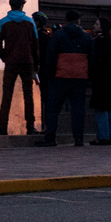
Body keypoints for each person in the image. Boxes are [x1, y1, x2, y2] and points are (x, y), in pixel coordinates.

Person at [42, 9, 91, 146]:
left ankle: (50, 137)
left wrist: (50, 75)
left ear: (66, 21)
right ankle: (78, 138)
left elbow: (50, 56)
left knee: (53, 108)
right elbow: (92, 58)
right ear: (78, 21)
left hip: (60, 76)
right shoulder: (86, 37)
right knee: (78, 109)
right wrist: (88, 77)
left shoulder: (58, 35)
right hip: (80, 77)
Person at [0, 0, 39, 135]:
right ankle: (30, 127)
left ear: (10, 5)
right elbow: (35, 43)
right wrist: (35, 64)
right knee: (28, 95)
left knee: (7, 95)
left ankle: (3, 127)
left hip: (11, 62)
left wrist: (4, 57)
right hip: (27, 62)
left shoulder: (3, 22)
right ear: (22, 6)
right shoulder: (30, 22)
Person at [87, 15, 111, 144]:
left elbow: (96, 61)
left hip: (100, 77)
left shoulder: (100, 41)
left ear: (102, 27)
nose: (94, 26)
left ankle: (103, 136)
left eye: (96, 24)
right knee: (109, 107)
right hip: (107, 76)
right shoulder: (109, 40)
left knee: (100, 106)